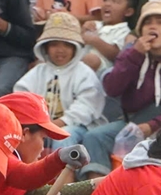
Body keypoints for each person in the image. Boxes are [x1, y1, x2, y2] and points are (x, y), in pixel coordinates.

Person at [79, 0, 161, 177]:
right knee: (95, 137)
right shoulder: (130, 55)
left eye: (160, 22)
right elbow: (112, 88)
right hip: (130, 123)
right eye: (148, 22)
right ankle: (97, 193)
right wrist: (135, 55)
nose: (153, 27)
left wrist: (152, 125)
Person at [10, 12, 104, 149]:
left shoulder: (84, 73)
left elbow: (86, 106)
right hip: (39, 126)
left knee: (64, 135)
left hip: (78, 126)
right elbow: (21, 96)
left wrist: (59, 123)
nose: (60, 50)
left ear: (75, 47)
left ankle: (61, 170)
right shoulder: (38, 71)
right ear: (45, 47)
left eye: (66, 45)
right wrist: (35, 124)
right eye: (54, 44)